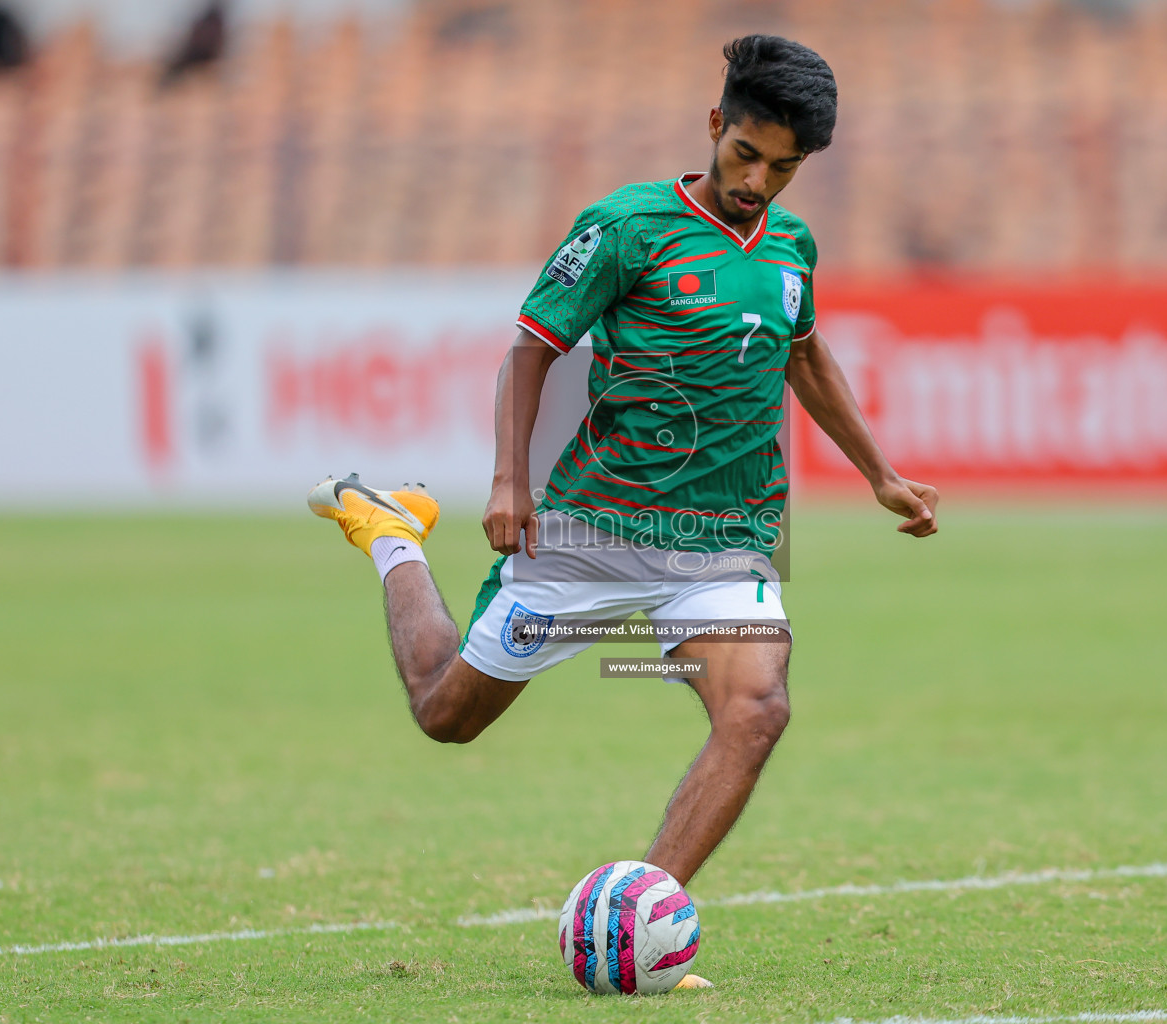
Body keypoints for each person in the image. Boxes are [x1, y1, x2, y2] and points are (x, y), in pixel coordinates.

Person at [307, 34, 939, 989]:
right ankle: (391, 533)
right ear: (714, 124)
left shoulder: (793, 249)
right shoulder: (626, 225)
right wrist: (509, 482)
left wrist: (881, 473)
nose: (758, 182)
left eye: (784, 167)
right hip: (588, 537)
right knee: (446, 714)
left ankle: (637, 918)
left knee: (757, 709)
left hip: (723, 549)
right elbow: (530, 347)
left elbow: (806, 358)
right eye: (746, 155)